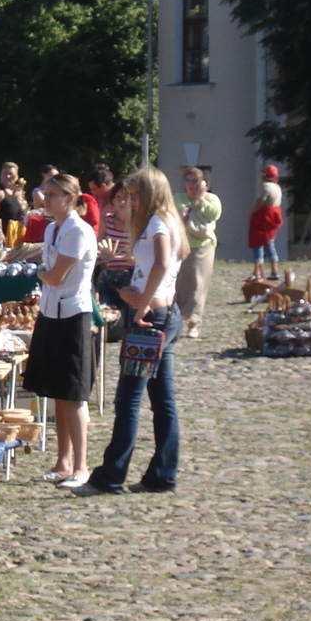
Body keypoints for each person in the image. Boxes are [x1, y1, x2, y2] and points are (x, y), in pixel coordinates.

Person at [73, 167, 189, 496]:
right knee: (161, 399)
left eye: (137, 195)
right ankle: (162, 474)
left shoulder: (156, 222)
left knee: (128, 398)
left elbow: (163, 263)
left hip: (149, 317)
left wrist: (140, 305)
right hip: (165, 312)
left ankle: (110, 476)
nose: (133, 200)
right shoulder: (168, 220)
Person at [20, 173, 97, 487]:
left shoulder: (78, 231)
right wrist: (43, 274)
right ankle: (63, 461)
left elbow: (57, 277)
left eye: (53, 194)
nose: (46, 199)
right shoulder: (53, 229)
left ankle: (81, 466)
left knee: (73, 394)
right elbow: (49, 274)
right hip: (51, 314)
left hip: (73, 315)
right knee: (56, 392)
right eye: (45, 194)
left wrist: (38, 271)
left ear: (69, 198)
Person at [174, 166, 222, 339]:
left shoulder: (212, 199)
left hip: (202, 246)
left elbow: (214, 215)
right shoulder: (178, 199)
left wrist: (201, 200)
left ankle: (194, 322)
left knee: (197, 285)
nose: (191, 185)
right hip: (181, 246)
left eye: (195, 181)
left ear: (204, 183)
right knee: (179, 284)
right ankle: (177, 320)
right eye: (188, 181)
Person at [96, 180, 135, 310]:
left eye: (126, 197)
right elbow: (98, 246)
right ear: (113, 200)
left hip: (132, 274)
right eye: (118, 197)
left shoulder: (139, 223)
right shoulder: (107, 221)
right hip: (110, 274)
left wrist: (134, 258)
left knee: (129, 315)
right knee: (108, 312)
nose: (122, 202)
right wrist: (103, 255)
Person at [248, 164, 284, 280]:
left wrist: (252, 212)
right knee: (270, 243)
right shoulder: (278, 187)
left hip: (263, 218)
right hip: (273, 218)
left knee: (258, 242)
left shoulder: (266, 186)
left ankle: (257, 272)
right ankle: (275, 271)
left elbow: (261, 202)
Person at [0, 162, 28, 244]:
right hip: (3, 236)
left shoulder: (17, 191)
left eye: (11, 174)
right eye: (5, 173)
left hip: (16, 234)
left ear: (17, 176)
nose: (8, 176)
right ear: (0, 175)